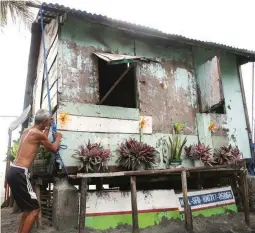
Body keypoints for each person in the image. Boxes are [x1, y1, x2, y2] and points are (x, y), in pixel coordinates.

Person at [6, 109, 62, 233]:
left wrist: (46, 126)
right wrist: (58, 137)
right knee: (35, 210)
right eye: (47, 122)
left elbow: (42, 135)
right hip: (21, 173)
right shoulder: (38, 134)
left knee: (27, 209)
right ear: (44, 121)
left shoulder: (28, 131)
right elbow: (53, 148)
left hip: (13, 171)